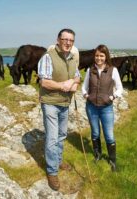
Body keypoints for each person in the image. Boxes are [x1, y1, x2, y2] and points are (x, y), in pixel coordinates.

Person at [37, 28, 81, 191]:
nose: (68, 43)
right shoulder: (48, 57)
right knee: (53, 137)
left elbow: (77, 76)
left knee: (62, 134)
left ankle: (57, 160)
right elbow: (44, 82)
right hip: (50, 103)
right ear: (58, 40)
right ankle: (52, 171)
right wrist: (64, 85)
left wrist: (73, 82)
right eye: (65, 39)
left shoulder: (72, 58)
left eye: (71, 40)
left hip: (65, 103)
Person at [82, 44, 123, 172]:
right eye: (97, 55)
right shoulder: (90, 70)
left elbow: (120, 88)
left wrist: (113, 97)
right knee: (95, 133)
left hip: (106, 108)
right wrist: (85, 95)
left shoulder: (113, 70)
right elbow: (84, 87)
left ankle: (112, 160)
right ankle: (98, 155)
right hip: (91, 107)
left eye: (101, 55)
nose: (99, 58)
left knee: (109, 135)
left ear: (106, 57)